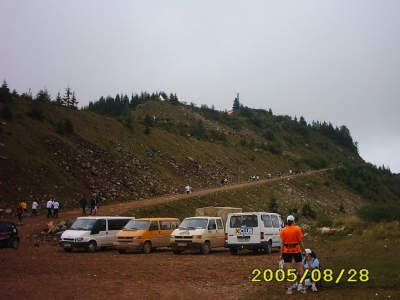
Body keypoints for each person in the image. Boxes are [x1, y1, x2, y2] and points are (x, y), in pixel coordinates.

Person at [279, 215, 307, 294]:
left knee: (288, 270)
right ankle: (303, 288)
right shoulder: (297, 229)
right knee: (300, 270)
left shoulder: (283, 230)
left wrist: (281, 254)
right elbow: (300, 241)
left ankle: (289, 289)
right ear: (293, 221)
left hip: (287, 251)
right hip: (296, 250)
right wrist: (305, 251)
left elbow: (282, 243)